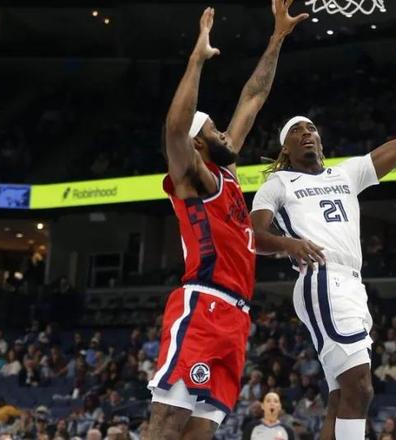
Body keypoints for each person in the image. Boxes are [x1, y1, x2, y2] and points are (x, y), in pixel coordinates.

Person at [251, 40, 396, 440]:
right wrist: (288, 244)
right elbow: (254, 235)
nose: (306, 133)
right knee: (361, 387)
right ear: (285, 148)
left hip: (351, 284)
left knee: (341, 395)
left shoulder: (347, 174)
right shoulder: (277, 183)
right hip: (321, 278)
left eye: (311, 128)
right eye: (296, 131)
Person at [144, 3, 307, 440]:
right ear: (198, 144)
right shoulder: (193, 178)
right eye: (214, 131)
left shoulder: (227, 173)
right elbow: (174, 130)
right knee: (167, 421)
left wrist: (277, 38)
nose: (224, 134)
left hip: (236, 318)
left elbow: (253, 98)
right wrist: (197, 61)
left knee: (201, 431)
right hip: (203, 304)